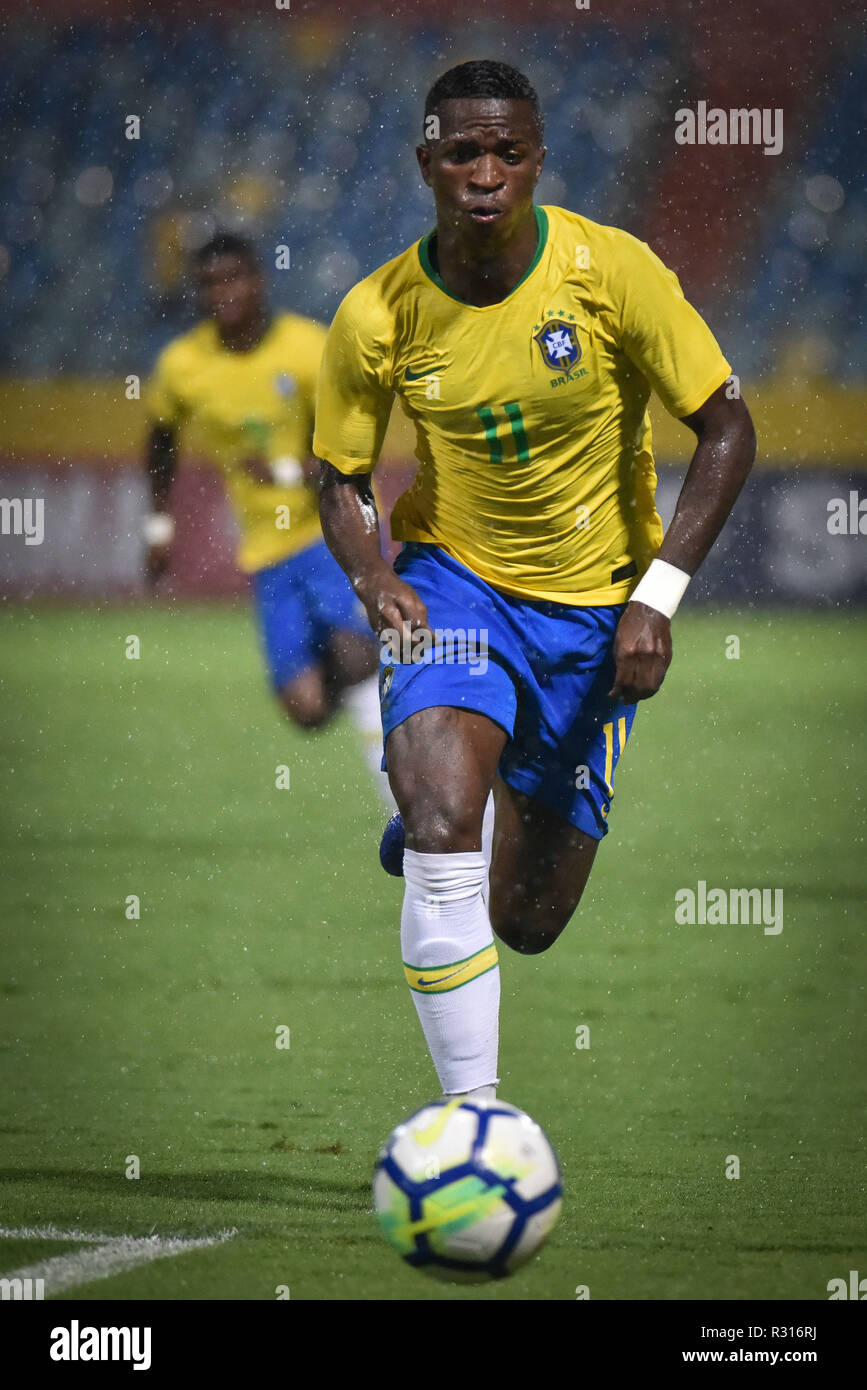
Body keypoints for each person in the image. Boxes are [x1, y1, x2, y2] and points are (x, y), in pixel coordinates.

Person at [313, 61, 756, 1104]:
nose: (485, 172)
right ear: (428, 163)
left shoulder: (613, 271)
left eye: (507, 152)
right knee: (440, 834)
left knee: (529, 918)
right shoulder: (377, 314)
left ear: (538, 162)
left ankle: (458, 799)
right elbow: (338, 478)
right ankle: (474, 1120)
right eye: (463, 151)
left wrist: (659, 595)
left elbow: (728, 427)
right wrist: (374, 573)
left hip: (596, 615)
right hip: (452, 584)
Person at [142, 232, 388, 801]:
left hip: (331, 529)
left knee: (356, 657)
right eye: (209, 283)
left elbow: (347, 451)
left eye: (233, 279)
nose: (222, 293)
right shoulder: (184, 366)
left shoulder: (307, 350)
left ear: (259, 281)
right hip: (266, 552)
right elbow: (160, 442)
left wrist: (280, 474)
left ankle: (406, 809)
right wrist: (158, 527)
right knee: (304, 707)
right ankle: (389, 676)